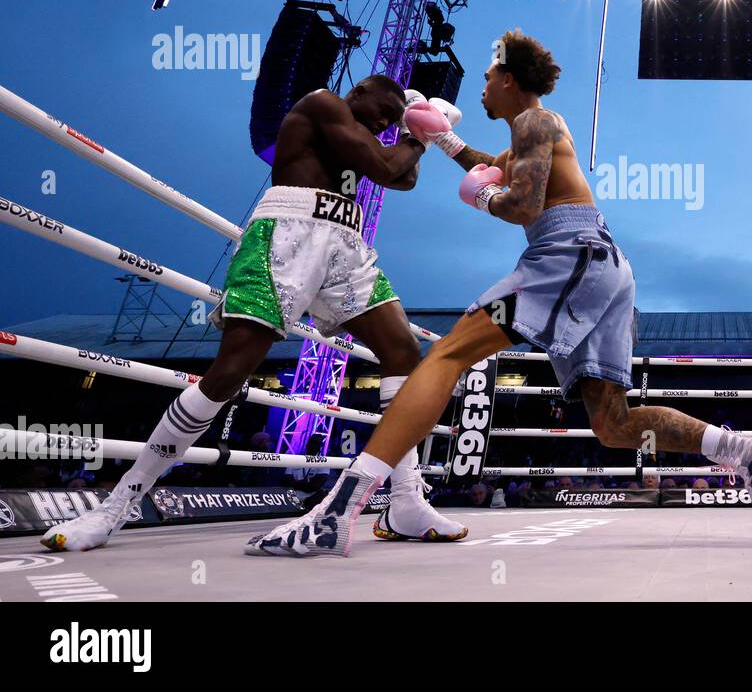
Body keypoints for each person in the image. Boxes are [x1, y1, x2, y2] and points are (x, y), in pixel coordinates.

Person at [246, 30, 752, 556]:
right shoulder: (534, 131)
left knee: (448, 354)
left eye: (485, 77)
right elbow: (492, 164)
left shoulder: (534, 120)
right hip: (601, 267)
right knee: (614, 424)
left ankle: (338, 511)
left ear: (507, 78)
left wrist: (483, 198)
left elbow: (521, 205)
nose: (480, 87)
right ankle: (744, 451)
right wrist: (445, 140)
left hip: (567, 256)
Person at [42, 75, 468, 551]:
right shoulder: (325, 103)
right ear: (363, 90)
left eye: (392, 120)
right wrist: (420, 134)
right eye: (383, 111)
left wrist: (415, 136)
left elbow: (402, 176)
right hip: (284, 236)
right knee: (228, 374)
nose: (385, 121)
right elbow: (390, 168)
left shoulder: (367, 132)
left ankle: (405, 501)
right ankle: (115, 506)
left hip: (345, 243)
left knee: (402, 354)